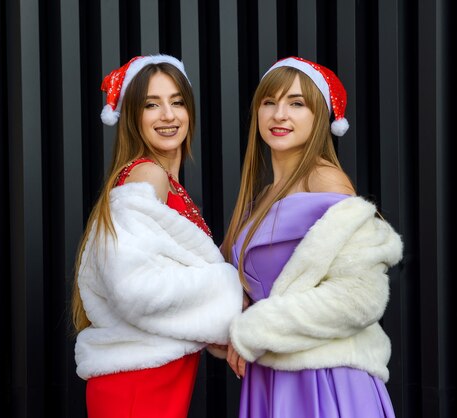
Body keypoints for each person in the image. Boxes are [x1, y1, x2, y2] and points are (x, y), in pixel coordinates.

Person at [222, 57, 403, 417]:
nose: (279, 114)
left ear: (320, 116)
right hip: (272, 377)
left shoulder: (326, 181)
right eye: (269, 102)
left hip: (326, 381)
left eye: (297, 103)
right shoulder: (262, 197)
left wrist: (254, 329)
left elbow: (358, 299)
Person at [72, 54, 243, 418]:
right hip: (138, 382)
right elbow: (134, 288)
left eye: (177, 102)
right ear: (133, 116)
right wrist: (229, 295)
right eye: (152, 104)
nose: (168, 115)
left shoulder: (167, 184)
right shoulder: (147, 175)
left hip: (157, 376)